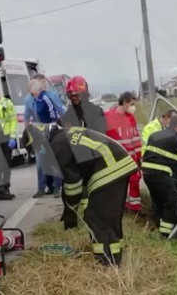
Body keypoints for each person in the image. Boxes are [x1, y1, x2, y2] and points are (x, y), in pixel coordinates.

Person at [44, 124, 137, 266]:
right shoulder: (65, 135)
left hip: (109, 168)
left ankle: (107, 263)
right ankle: (114, 257)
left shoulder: (57, 146)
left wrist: (71, 211)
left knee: (97, 218)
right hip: (117, 163)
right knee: (110, 218)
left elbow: (73, 184)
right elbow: (76, 172)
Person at [25, 75, 66, 198]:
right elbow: (27, 115)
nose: (43, 84)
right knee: (40, 161)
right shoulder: (29, 99)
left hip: (51, 128)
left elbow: (60, 110)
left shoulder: (51, 95)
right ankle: (41, 188)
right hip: (38, 130)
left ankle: (56, 187)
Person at [105, 92, 143, 212]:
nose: (133, 107)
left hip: (131, 157)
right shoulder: (107, 116)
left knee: (135, 179)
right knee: (118, 183)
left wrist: (139, 157)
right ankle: (119, 205)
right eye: (132, 104)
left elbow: (136, 138)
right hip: (116, 157)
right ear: (125, 102)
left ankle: (134, 207)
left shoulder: (131, 118)